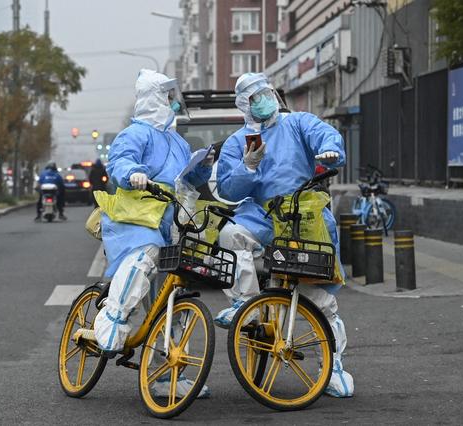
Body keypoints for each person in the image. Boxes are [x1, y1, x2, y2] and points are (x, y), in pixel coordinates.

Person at [214, 72, 353, 398]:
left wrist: (330, 151)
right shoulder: (239, 142)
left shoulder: (298, 123)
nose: (263, 99)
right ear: (244, 106)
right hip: (262, 214)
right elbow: (227, 189)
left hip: (302, 215)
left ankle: (333, 368)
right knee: (231, 234)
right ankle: (244, 305)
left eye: (265, 92)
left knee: (321, 302)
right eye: (254, 97)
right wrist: (247, 166)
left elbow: (326, 136)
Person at [91, 69, 214, 398]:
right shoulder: (136, 133)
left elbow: (187, 178)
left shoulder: (176, 140)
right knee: (143, 258)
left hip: (169, 219)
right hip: (137, 217)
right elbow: (119, 161)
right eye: (168, 97)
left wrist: (203, 165)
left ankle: (164, 374)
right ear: (154, 98)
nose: (174, 103)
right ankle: (112, 319)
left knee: (170, 298)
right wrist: (132, 173)